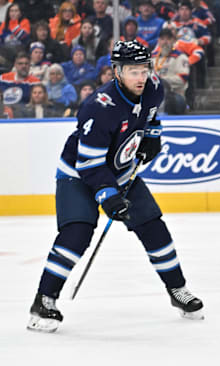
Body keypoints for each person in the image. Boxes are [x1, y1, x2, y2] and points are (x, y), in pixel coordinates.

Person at [27, 40, 204, 333]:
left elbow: (149, 117)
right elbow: (89, 165)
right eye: (132, 71)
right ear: (116, 72)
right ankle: (44, 300)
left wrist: (152, 137)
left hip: (121, 172)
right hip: (78, 174)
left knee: (153, 226)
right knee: (77, 232)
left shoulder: (153, 86)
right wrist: (108, 196)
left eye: (144, 69)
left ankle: (178, 290)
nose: (141, 77)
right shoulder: (99, 107)